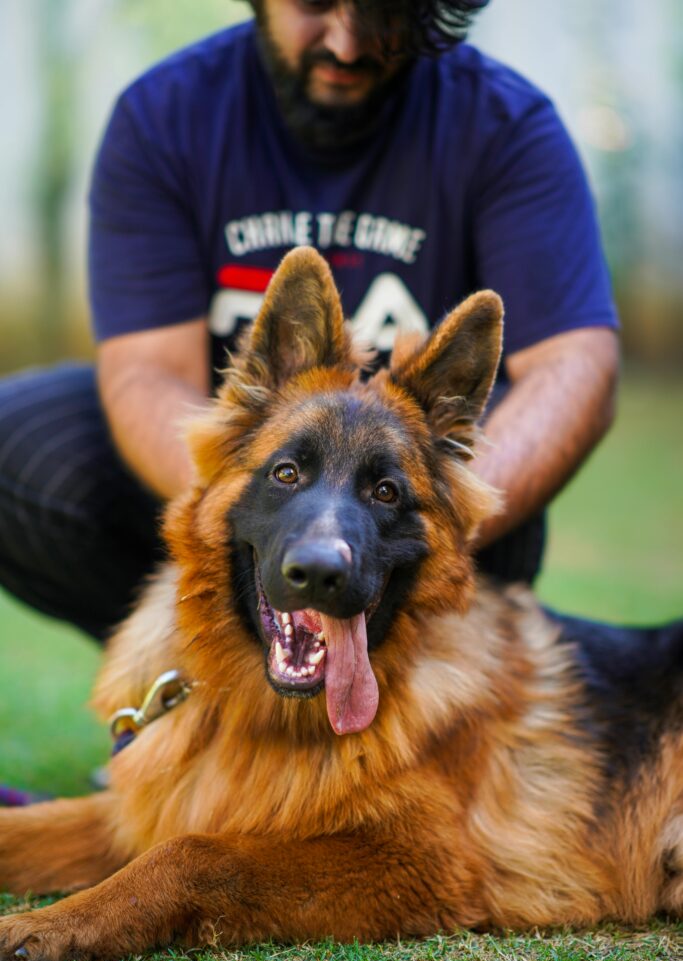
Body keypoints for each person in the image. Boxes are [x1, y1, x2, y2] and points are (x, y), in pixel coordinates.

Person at [0, 0, 619, 642]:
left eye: (385, 12)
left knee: (467, 480)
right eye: (315, 3)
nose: (348, 44)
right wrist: (275, 519)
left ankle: (413, 668)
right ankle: (200, 662)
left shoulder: (507, 124)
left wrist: (428, 509)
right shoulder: (165, 115)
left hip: (414, 510)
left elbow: (576, 366)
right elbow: (148, 373)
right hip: (243, 472)